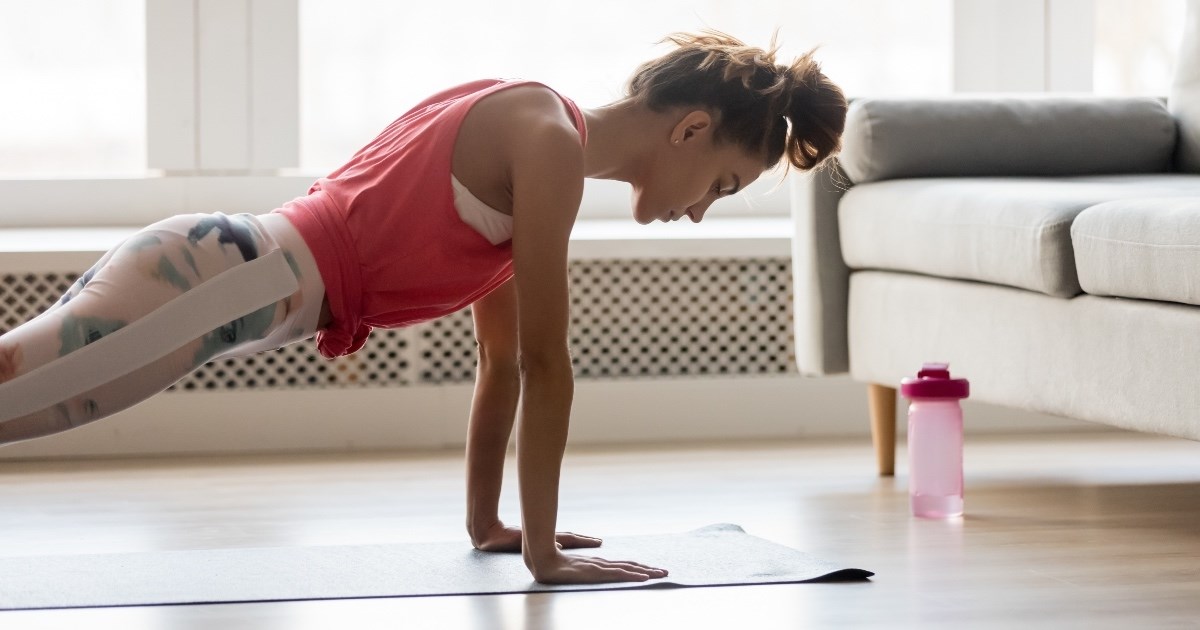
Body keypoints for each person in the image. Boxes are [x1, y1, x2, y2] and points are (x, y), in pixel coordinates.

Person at [0, 30, 847, 584]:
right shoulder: (546, 144)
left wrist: (493, 525)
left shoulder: (540, 138)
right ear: (692, 130)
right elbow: (552, 364)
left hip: (215, 274)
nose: (701, 209)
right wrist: (547, 558)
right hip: (221, 282)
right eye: (723, 186)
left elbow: (505, 360)